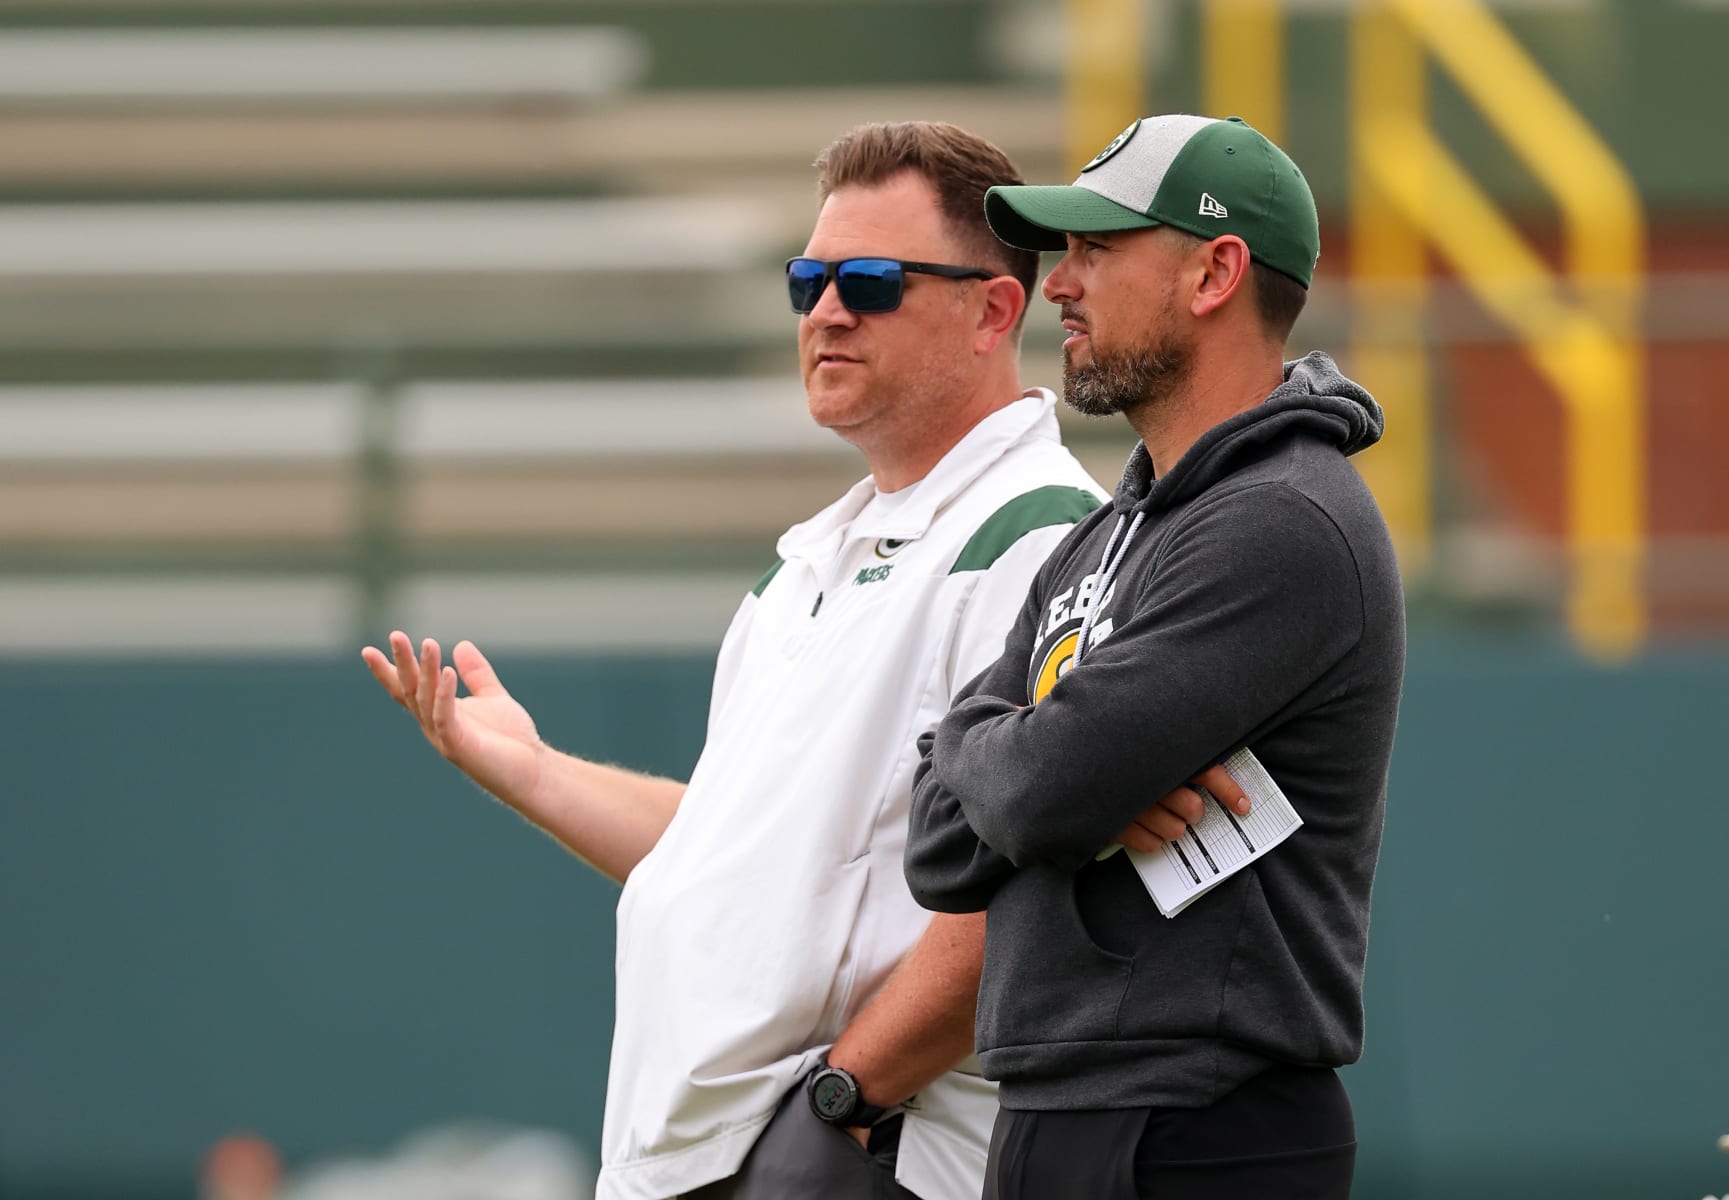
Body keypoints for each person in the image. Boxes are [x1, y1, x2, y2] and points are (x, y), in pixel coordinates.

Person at [361, 122, 1129, 1200]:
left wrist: (838, 1109)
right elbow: (748, 866)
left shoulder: (1039, 541)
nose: (824, 312)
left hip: (854, 1158)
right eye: (807, 279)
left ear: (993, 310)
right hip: (729, 1158)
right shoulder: (800, 571)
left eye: (868, 281)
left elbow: (1041, 894)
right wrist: (535, 771)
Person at [904, 114, 1407, 1200]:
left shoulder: (1285, 519)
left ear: (1215, 272)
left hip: (1202, 1126)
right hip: (1058, 1111)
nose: (1058, 286)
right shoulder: (1107, 531)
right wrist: (1032, 765)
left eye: (1097, 249)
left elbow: (1037, 794)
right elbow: (939, 846)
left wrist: (1034, 768)